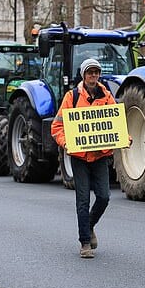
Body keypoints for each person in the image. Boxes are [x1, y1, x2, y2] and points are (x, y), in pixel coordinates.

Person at [51, 58, 124, 259]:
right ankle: (85, 242)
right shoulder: (71, 97)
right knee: (82, 200)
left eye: (96, 73)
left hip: (100, 155)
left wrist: (125, 137)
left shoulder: (107, 96)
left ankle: (89, 225)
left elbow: (115, 125)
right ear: (83, 75)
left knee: (104, 197)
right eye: (90, 73)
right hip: (79, 156)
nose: (93, 76)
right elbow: (57, 127)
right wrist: (66, 142)